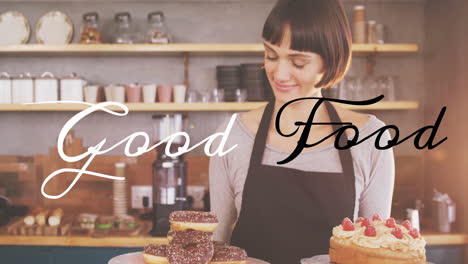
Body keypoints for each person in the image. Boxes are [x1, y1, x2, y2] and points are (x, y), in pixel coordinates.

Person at [209, 0, 395, 263]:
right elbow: (214, 247)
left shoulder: (371, 140)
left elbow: (377, 254)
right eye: (271, 56)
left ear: (331, 61)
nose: (279, 73)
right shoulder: (231, 136)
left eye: (298, 62)